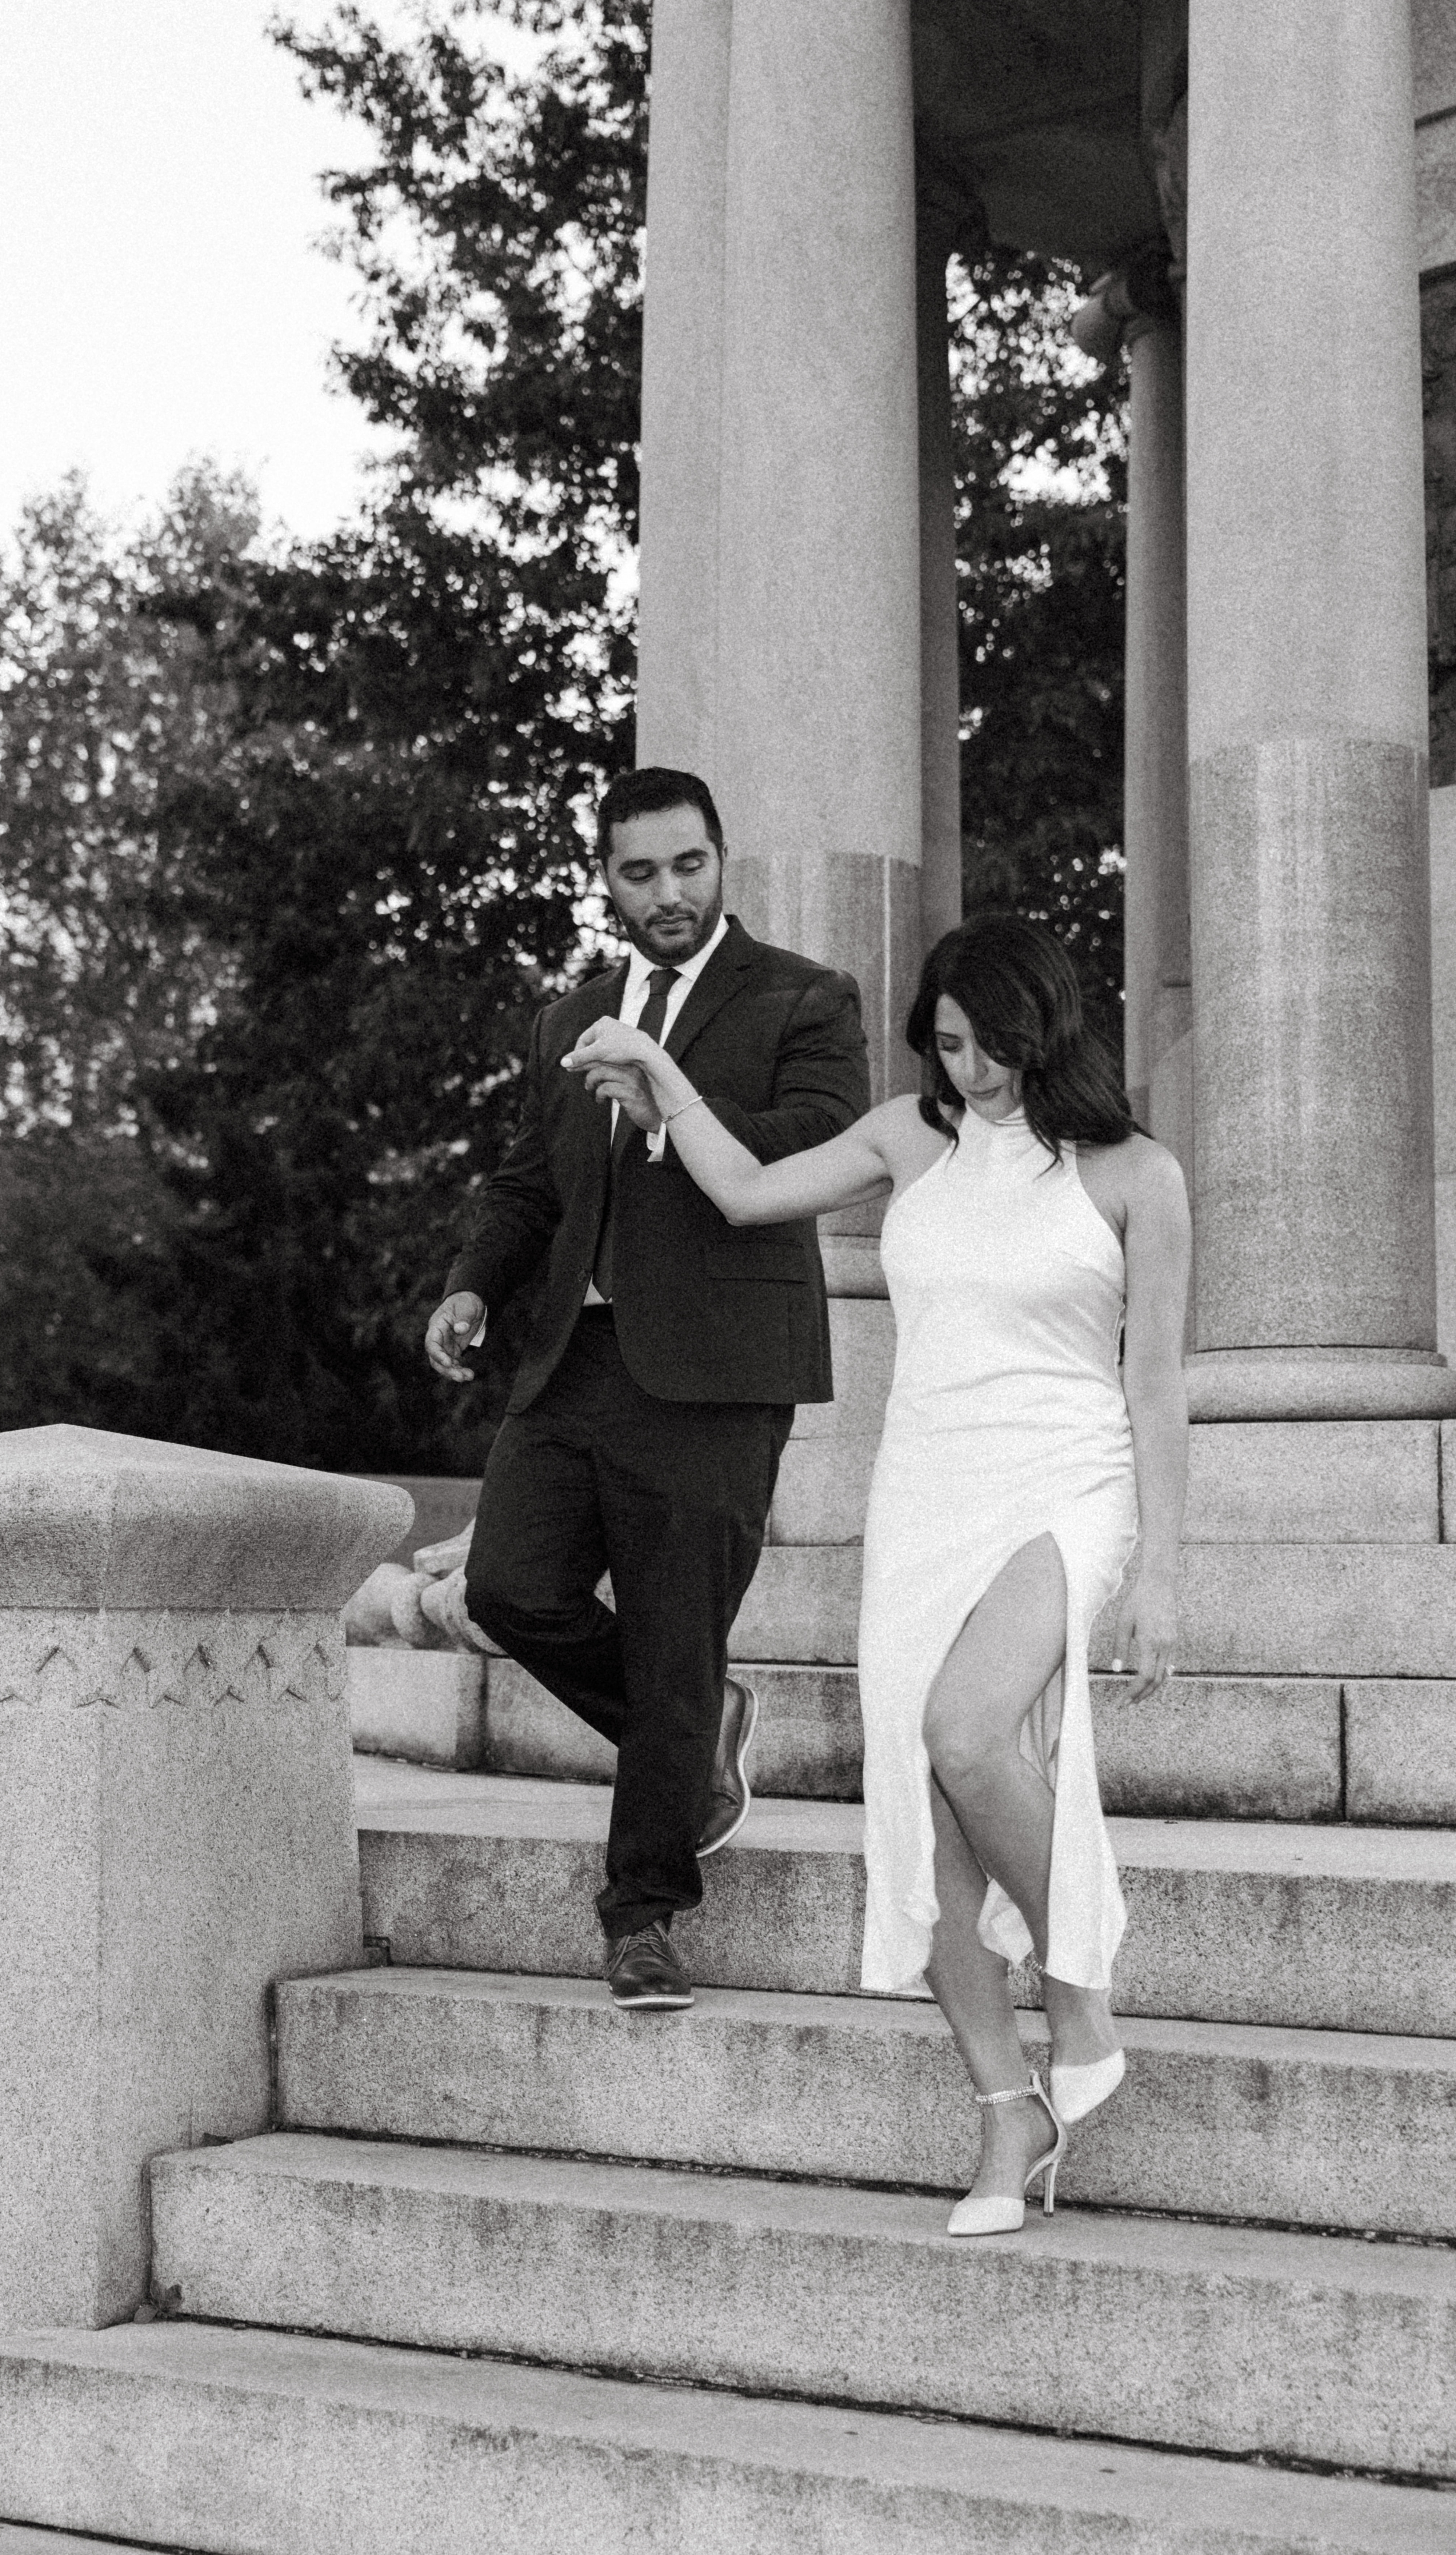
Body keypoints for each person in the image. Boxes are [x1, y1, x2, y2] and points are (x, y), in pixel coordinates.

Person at [566, 911, 1190, 2231]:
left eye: (993, 1045)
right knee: (921, 1808)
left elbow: (1156, 1389)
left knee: (966, 1733)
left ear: (1050, 1029)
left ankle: (1080, 1995)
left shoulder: (1137, 1173)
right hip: (927, 1490)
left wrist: (1165, 1571)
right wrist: (663, 1077)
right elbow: (743, 1189)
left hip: (1068, 1486)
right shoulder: (912, 1138)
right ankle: (1004, 2116)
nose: (970, 1071)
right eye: (949, 1044)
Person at [425, 767, 871, 2010]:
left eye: (688, 865)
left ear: (723, 860)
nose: (667, 893)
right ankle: (693, 1730)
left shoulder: (802, 997)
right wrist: (473, 1286)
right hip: (577, 1360)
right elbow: (531, 1181)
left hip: (720, 1375)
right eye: (639, 872)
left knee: (677, 1640)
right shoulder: (569, 1012)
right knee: (509, 1588)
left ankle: (644, 1917)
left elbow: (820, 1140)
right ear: (607, 879)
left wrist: (670, 1104)